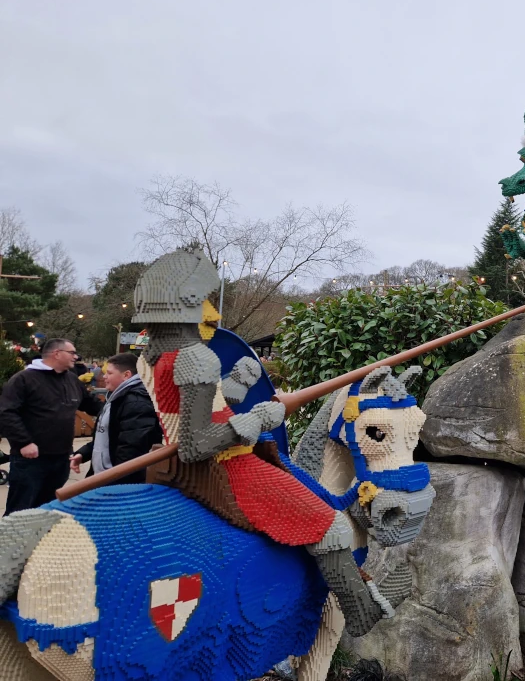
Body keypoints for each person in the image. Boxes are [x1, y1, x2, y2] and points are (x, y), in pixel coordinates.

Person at [133, 246, 393, 637]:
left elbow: (201, 412)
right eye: (204, 302)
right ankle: (359, 612)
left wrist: (235, 387)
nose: (214, 314)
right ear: (181, 307)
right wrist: (257, 419)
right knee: (333, 528)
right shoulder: (194, 358)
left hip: (203, 464)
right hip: (226, 467)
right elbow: (196, 443)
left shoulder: (153, 358)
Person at [0, 338, 103, 514]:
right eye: (72, 353)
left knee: (48, 508)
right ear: (57, 353)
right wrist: (24, 442)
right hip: (30, 459)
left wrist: (118, 407)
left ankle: (42, 540)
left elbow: (92, 405)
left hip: (61, 458)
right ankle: (13, 541)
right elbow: (6, 412)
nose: (76, 357)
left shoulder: (71, 380)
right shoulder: (24, 379)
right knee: (21, 509)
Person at [70, 352, 162, 484]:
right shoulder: (116, 397)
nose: (104, 377)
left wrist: (115, 483)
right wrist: (84, 453)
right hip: (104, 477)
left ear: (126, 375)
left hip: (116, 482)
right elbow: (107, 436)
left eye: (109, 373)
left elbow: (130, 451)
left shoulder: (136, 403)